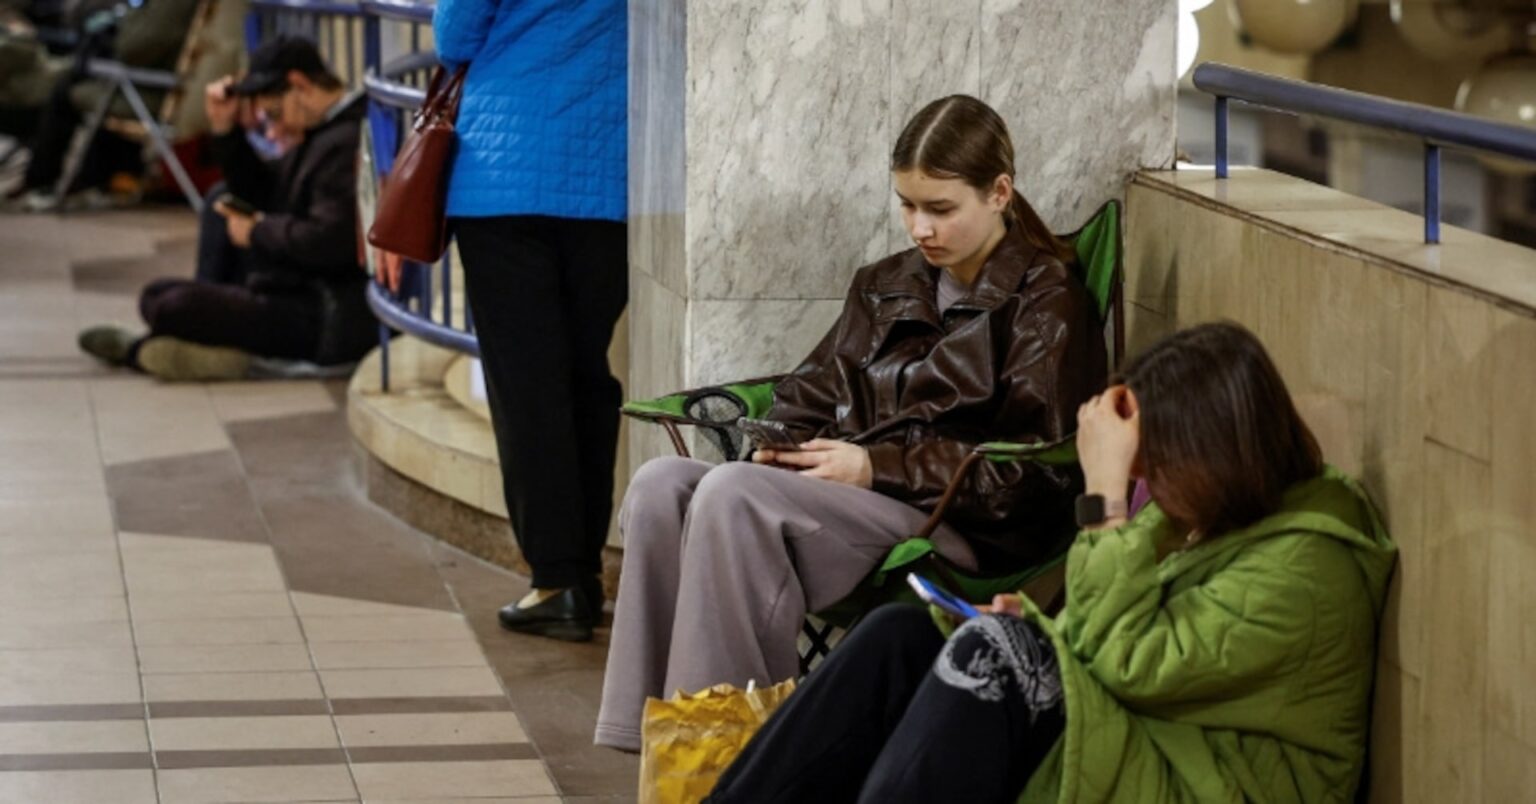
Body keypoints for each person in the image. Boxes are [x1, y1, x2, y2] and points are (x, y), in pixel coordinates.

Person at [594, 95, 1108, 752]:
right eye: (907, 205)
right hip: (850, 500)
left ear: (999, 192)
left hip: (956, 522)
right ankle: (660, 757)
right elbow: (811, 391)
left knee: (731, 496)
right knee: (662, 483)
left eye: (940, 208)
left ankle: (728, 766)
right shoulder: (886, 283)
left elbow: (1031, 473)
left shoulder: (1047, 300)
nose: (919, 227)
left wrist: (873, 468)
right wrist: (776, 443)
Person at [706, 321, 1398, 804]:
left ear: (1215, 457)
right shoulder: (1212, 510)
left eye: (1154, 469)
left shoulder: (1308, 571)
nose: (1146, 487)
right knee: (901, 635)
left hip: (1206, 778)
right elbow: (1111, 635)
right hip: (1145, 738)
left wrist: (1103, 497)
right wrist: (1040, 626)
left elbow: (1131, 662)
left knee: (993, 658)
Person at [430, 0, 627, 642]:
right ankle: (583, 572)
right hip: (609, 179)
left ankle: (558, 578)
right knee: (584, 379)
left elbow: (453, 35)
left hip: (505, 180)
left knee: (528, 388)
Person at [76, 36, 375, 380]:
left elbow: (329, 240)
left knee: (172, 306)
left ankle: (149, 349)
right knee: (208, 221)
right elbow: (260, 192)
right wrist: (225, 129)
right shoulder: (322, 131)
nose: (275, 129)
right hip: (290, 287)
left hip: (322, 313)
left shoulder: (343, 141)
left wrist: (258, 230)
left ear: (300, 85)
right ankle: (210, 335)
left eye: (274, 114)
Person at [1, 0, 198, 208]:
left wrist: (119, 27)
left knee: (69, 91)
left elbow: (134, 48)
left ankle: (42, 180)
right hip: (159, 87)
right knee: (86, 82)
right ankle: (96, 176)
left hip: (153, 93)